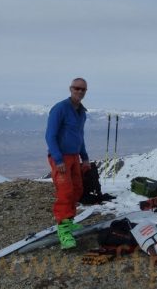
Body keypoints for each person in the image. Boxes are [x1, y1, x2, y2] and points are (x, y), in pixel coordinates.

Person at [45, 77, 91, 250]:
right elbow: (50, 135)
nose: (79, 91)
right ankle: (63, 232)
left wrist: (84, 157)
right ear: (70, 89)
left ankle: (69, 221)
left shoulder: (81, 112)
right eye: (76, 88)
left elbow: (80, 137)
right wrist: (58, 159)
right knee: (65, 192)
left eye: (83, 89)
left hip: (74, 156)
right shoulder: (60, 109)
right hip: (61, 157)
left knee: (77, 189)